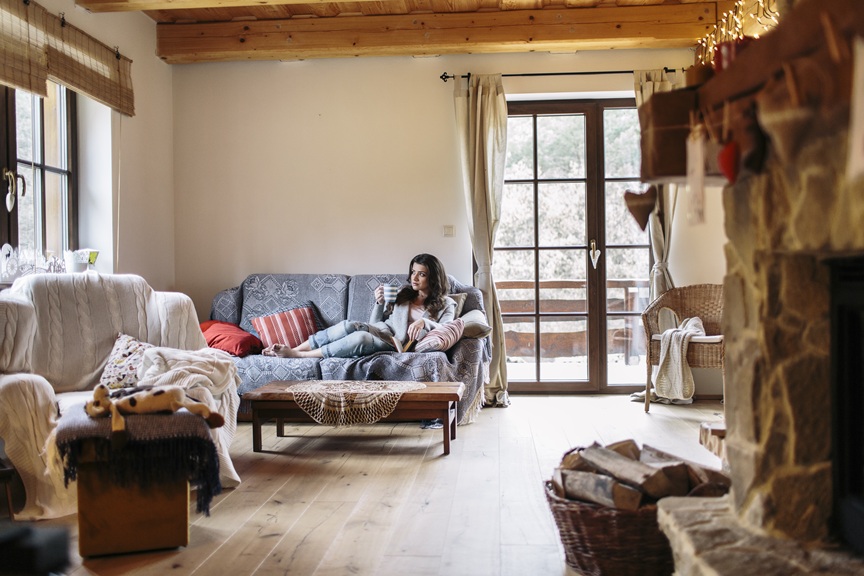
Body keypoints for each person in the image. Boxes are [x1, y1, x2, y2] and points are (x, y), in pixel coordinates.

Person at [262, 253, 457, 360]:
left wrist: (424, 322)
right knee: (348, 324)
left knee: (361, 338)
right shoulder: (403, 293)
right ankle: (294, 349)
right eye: (413, 272)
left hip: (398, 345)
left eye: (421, 274)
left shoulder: (446, 304)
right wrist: (379, 303)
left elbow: (447, 327)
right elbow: (375, 322)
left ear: (433, 277)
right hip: (383, 333)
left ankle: (298, 355)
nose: (414, 278)